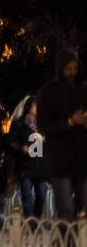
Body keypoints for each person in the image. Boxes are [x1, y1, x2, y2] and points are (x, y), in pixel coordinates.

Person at [37, 50, 87, 221]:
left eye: (75, 68)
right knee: (65, 209)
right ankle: (67, 245)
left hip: (82, 159)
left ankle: (81, 245)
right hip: (60, 161)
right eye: (68, 69)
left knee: (84, 208)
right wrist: (70, 122)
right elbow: (44, 126)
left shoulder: (83, 89)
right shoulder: (47, 92)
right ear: (60, 69)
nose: (72, 73)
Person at [6, 95, 48, 217]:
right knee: (27, 195)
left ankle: (36, 219)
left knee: (41, 193)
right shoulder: (19, 124)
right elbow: (11, 143)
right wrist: (21, 148)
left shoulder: (43, 125)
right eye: (36, 105)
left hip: (40, 165)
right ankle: (30, 223)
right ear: (28, 107)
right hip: (25, 165)